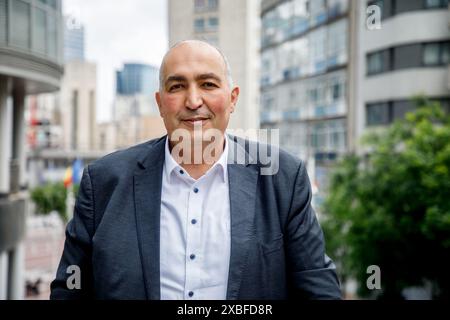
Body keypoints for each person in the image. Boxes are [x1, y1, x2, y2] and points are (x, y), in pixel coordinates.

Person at [50, 40, 341, 300]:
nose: (193, 101)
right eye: (177, 86)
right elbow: (70, 290)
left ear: (233, 98)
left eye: (208, 84)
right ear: (160, 103)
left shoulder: (283, 178)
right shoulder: (103, 182)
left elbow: (318, 288)